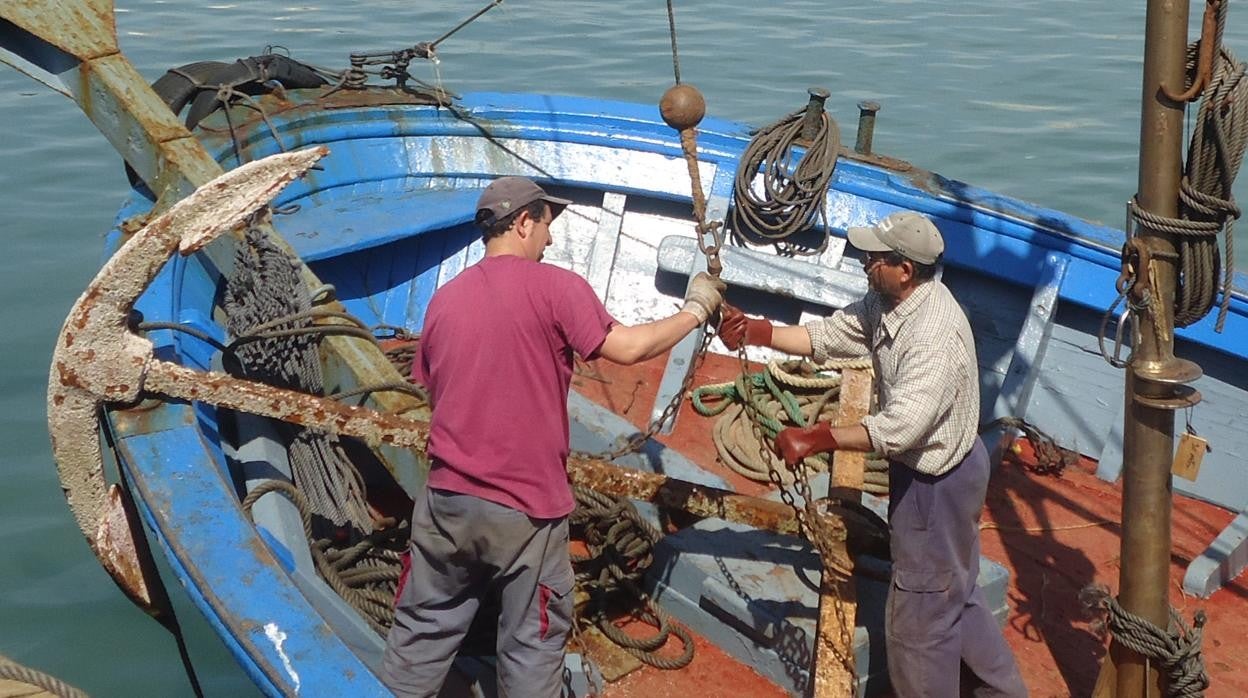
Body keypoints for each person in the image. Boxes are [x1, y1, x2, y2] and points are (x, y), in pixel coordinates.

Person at [381, 175, 725, 697]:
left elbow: (433, 389)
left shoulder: (444, 300)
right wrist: (696, 310)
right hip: (526, 508)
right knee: (531, 640)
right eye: (546, 225)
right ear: (522, 222)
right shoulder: (557, 289)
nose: (551, 239)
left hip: (445, 501)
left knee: (422, 630)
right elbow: (629, 349)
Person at [719, 211, 1026, 697]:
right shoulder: (889, 303)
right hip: (941, 471)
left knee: (919, 627)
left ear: (905, 269)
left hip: (936, 485)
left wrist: (816, 437)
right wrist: (758, 331)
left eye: (875, 258)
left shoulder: (933, 335)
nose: (865, 262)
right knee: (956, 594)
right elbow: (832, 337)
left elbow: (903, 428)